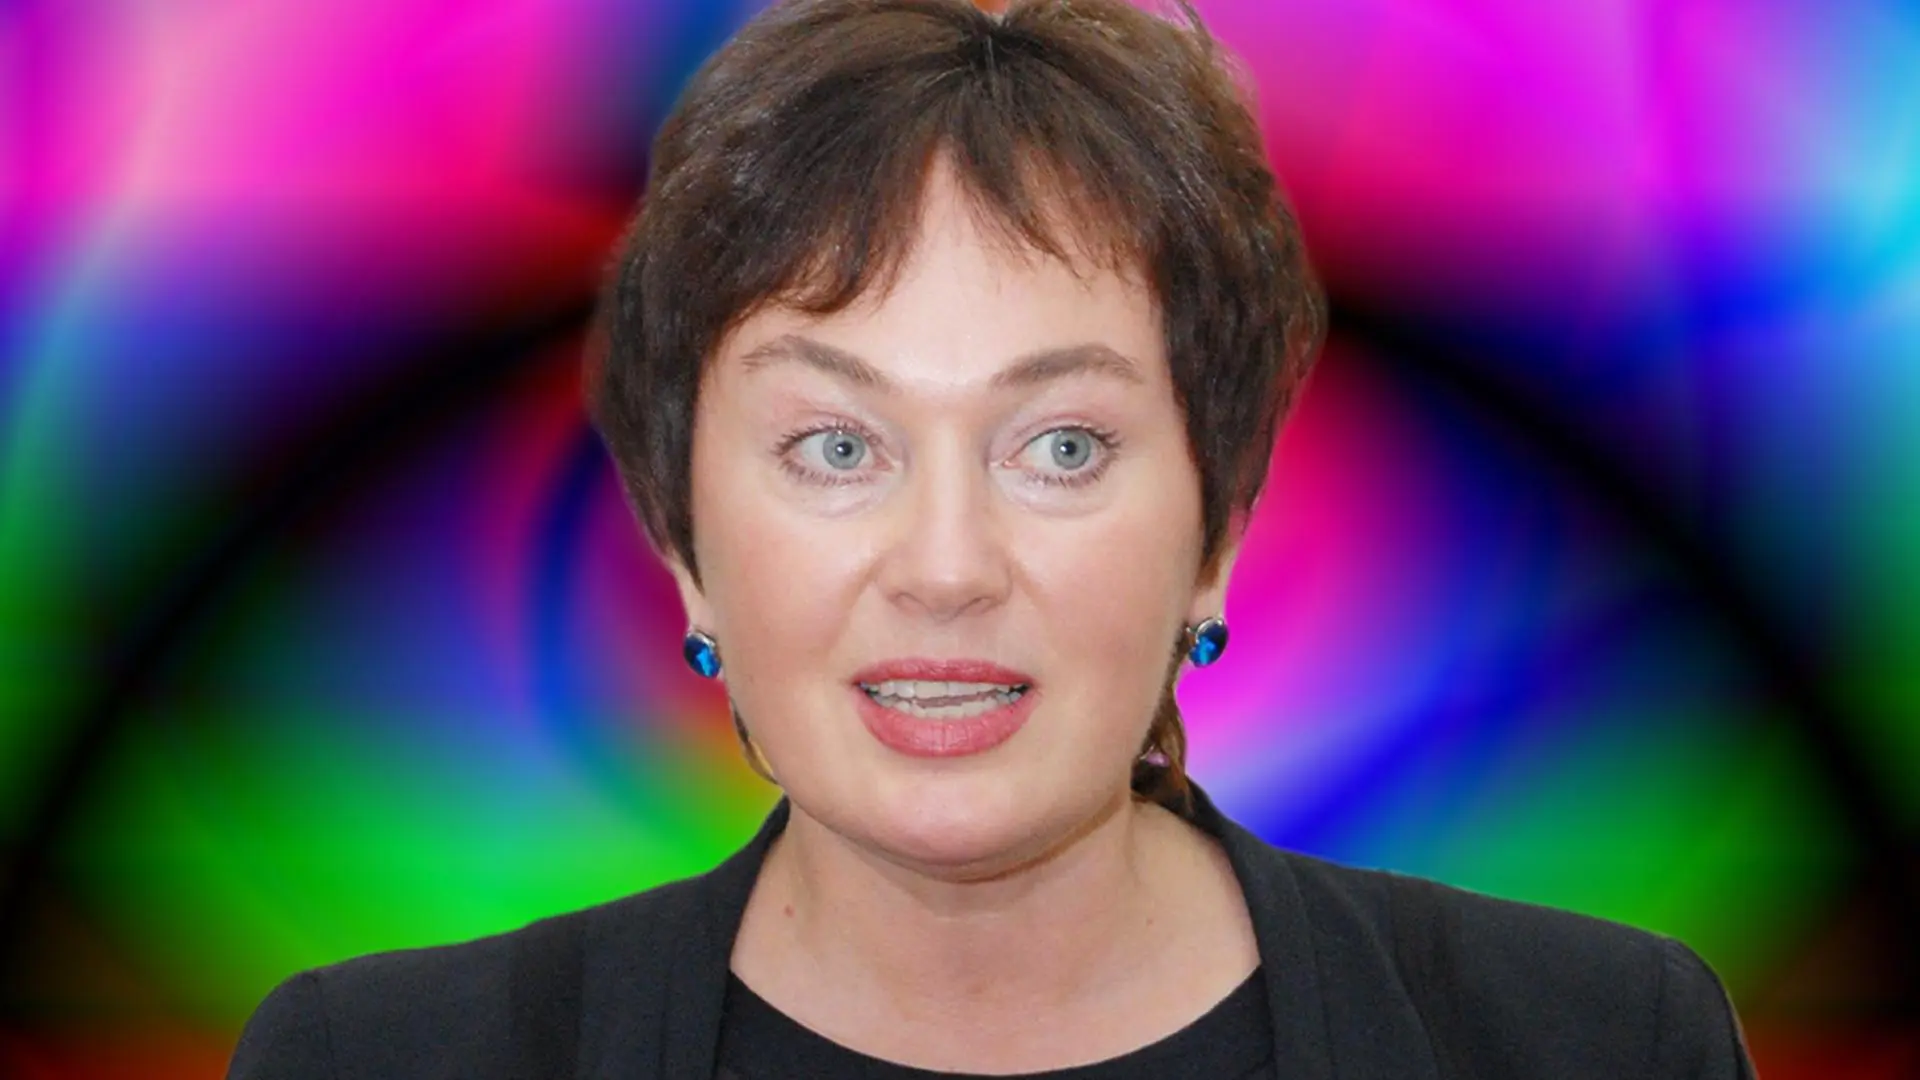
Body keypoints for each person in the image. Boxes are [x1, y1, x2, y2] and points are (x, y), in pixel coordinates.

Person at [227, 0, 1759, 1076]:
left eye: (1061, 447)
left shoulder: (1599, 1043)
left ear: (1217, 530)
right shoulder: (376, 1061)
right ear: (685, 545)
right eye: (837, 448)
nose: (947, 567)